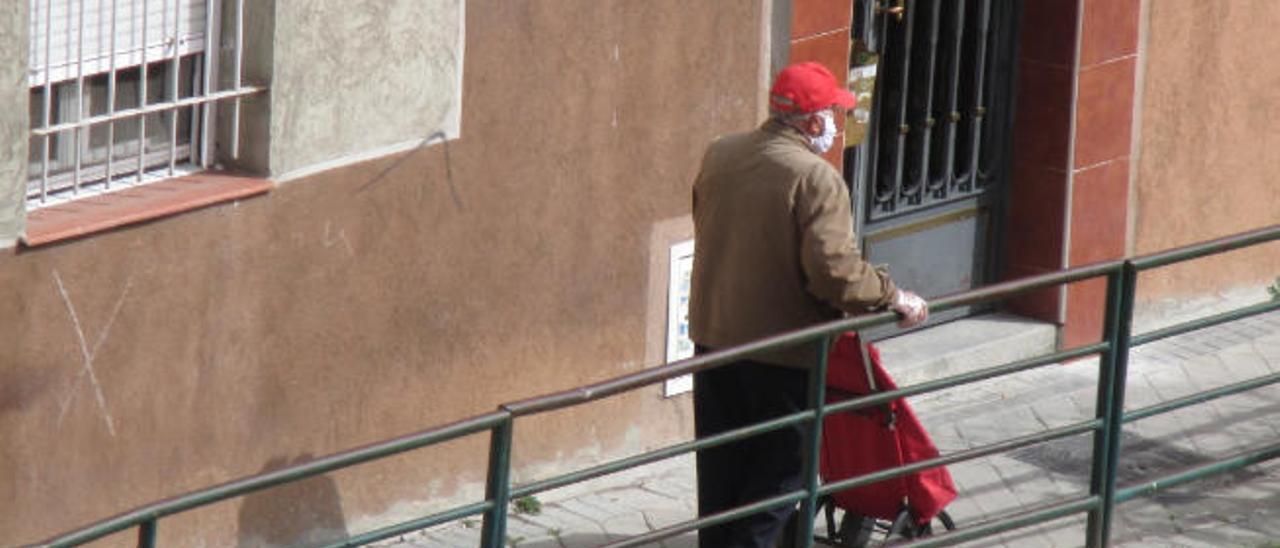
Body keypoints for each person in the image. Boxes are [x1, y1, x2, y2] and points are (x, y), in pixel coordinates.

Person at [687, 61, 929, 548]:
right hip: (783, 353)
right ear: (814, 122)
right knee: (778, 481)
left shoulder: (721, 153)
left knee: (723, 477)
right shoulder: (815, 177)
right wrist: (891, 295)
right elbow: (835, 272)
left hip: (713, 340)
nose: (838, 126)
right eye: (834, 115)